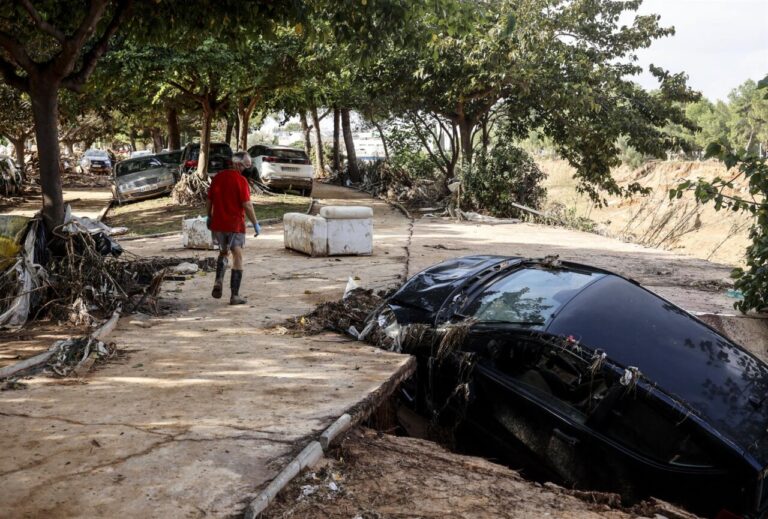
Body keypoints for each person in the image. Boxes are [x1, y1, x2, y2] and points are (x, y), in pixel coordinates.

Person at [206, 151, 261, 305]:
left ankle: (218, 281)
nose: (247, 169)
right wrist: (255, 223)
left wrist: (209, 216)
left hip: (217, 224)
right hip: (234, 225)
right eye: (246, 165)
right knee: (237, 255)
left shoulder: (217, 178)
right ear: (237, 164)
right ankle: (235, 295)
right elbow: (247, 205)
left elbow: (209, 200)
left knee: (223, 252)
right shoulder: (241, 181)